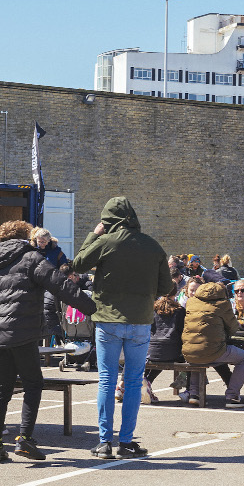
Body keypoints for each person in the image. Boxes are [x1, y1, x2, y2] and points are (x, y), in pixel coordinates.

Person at [0, 220, 95, 462]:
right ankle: (24, 439)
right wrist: (91, 307)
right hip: (23, 331)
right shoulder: (31, 258)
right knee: (33, 383)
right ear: (26, 237)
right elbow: (60, 285)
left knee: (1, 388)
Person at [72, 196, 174, 460]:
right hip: (140, 321)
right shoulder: (153, 246)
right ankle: (127, 442)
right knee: (132, 381)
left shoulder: (106, 242)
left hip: (108, 320)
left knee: (106, 380)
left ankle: (105, 442)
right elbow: (166, 288)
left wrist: (93, 235)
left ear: (108, 221)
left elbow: (79, 264)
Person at [182, 281, 244, 408]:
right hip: (213, 350)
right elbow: (233, 328)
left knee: (198, 354)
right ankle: (232, 395)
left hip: (188, 351)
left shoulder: (191, 302)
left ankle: (194, 394)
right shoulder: (223, 304)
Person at [144, 292, 187, 404]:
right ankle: (191, 390)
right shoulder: (180, 310)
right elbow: (183, 331)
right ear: (175, 293)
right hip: (172, 351)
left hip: (151, 350)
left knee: (156, 358)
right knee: (188, 358)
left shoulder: (152, 308)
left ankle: (145, 382)